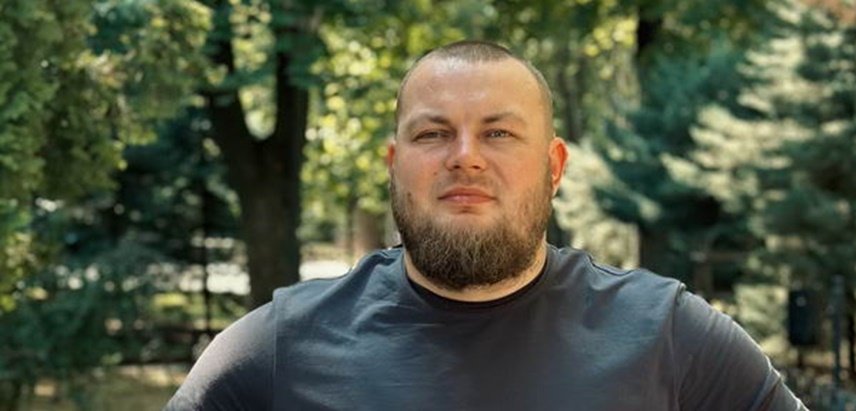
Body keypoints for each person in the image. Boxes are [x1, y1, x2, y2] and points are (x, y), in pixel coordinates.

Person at [166, 40, 806, 410]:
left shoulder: (668, 334)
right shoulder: (276, 349)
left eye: (498, 133)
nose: (465, 156)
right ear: (394, 165)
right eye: (433, 133)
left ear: (554, 167)